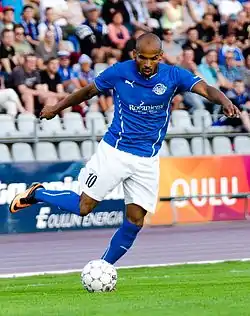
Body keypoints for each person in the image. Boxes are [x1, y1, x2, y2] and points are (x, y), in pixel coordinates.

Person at [9, 33, 239, 266]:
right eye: (142, 58)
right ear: (134, 55)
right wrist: (57, 108)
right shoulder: (119, 72)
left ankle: (103, 267)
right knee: (83, 207)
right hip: (115, 152)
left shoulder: (174, 74)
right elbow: (88, 91)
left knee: (135, 221)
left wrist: (225, 101)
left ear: (160, 56)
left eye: (152, 59)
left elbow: (206, 89)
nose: (147, 64)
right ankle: (37, 193)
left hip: (147, 160)